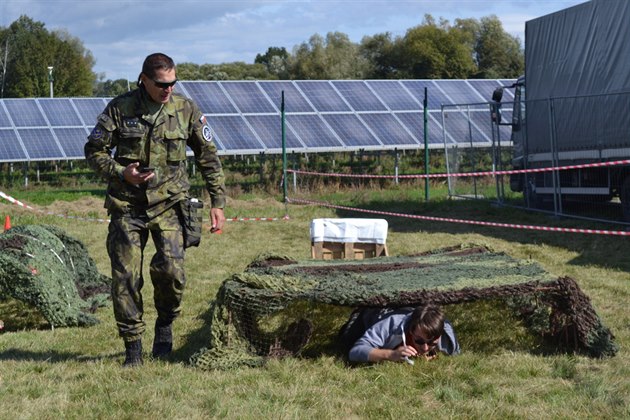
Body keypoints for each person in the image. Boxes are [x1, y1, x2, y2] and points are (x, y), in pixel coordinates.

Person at [84, 52, 226, 367]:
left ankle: (165, 325)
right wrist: (122, 173)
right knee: (126, 278)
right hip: (127, 206)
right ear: (144, 80)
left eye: (173, 83)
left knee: (171, 272)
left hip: (171, 204)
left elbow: (208, 155)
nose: (168, 90)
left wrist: (218, 201)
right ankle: (133, 348)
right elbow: (93, 149)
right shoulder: (120, 109)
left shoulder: (185, 109)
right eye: (162, 84)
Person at [344, 304, 460, 363]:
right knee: (345, 341)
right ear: (411, 330)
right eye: (419, 341)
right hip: (366, 319)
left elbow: (456, 354)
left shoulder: (446, 333)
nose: (425, 348)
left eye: (432, 343)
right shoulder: (391, 324)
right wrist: (391, 354)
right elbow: (355, 352)